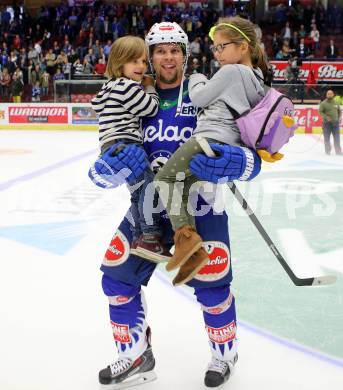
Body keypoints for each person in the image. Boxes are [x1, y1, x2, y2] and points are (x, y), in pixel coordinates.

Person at [88, 21, 261, 389]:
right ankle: (135, 356)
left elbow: (254, 140)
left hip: (200, 207)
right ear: (150, 57)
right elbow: (111, 143)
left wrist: (243, 162)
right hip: (148, 208)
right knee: (115, 279)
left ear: (185, 54)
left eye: (175, 50)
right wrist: (105, 170)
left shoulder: (206, 90)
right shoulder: (135, 95)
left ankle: (224, 354)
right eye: (160, 51)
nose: (168, 57)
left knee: (213, 290)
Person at [154, 17, 268, 286]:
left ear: (243, 47)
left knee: (165, 179)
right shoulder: (259, 78)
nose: (217, 54)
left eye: (221, 47)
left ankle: (188, 241)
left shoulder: (232, 72)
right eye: (215, 49)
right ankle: (192, 252)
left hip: (208, 138)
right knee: (181, 185)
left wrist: (196, 78)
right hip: (227, 143)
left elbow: (199, 98)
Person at [91, 35, 170, 263]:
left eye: (144, 62)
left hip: (111, 146)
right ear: (119, 62)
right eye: (134, 61)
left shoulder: (108, 87)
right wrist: (150, 87)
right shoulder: (125, 86)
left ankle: (137, 239)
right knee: (148, 188)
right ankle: (149, 236)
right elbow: (150, 108)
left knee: (137, 192)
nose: (141, 67)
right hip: (126, 145)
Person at [319, 89, 342, 155]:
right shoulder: (323, 103)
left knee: (337, 138)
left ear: (333, 94)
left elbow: (339, 111)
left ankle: (338, 151)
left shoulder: (336, 102)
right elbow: (320, 112)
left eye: (331, 94)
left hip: (335, 123)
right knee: (326, 138)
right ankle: (327, 151)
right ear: (326, 95)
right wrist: (326, 117)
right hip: (326, 124)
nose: (329, 95)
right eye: (328, 94)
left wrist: (339, 118)